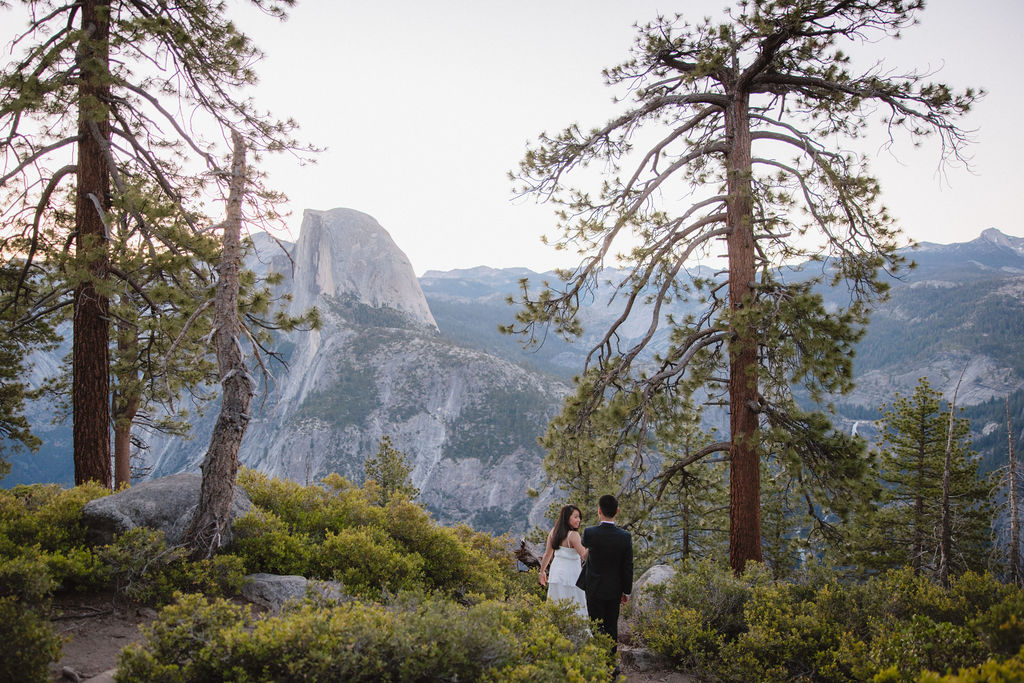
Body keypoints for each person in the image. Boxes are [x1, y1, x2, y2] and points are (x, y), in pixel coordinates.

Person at [575, 494, 633, 654]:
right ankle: (610, 662)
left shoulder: (590, 532)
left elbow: (584, 545)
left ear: (599, 511)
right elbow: (628, 566)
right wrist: (626, 590)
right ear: (617, 511)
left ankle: (599, 657)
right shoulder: (625, 537)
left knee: (595, 624)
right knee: (611, 625)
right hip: (614, 589)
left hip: (594, 587)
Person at [538, 504, 588, 616]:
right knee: (574, 604)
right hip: (571, 575)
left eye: (579, 517)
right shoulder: (573, 535)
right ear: (567, 518)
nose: (578, 520)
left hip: (556, 574)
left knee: (555, 603)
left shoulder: (553, 532)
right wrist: (593, 545)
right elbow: (584, 555)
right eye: (575, 517)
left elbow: (547, 554)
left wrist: (542, 572)